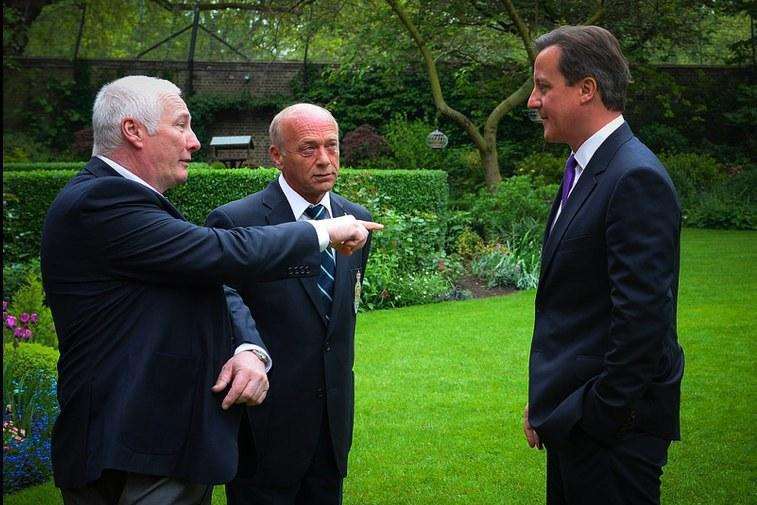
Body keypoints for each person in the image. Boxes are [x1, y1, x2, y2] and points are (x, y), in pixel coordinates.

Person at [41, 76, 380, 505]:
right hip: (135, 445)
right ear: (133, 131)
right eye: (181, 125)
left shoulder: (129, 202)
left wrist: (246, 350)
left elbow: (202, 285)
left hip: (165, 445)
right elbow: (218, 253)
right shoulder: (102, 200)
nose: (195, 141)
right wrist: (322, 231)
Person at [522, 26, 684, 504]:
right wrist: (551, 400)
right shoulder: (585, 167)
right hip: (575, 424)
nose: (533, 101)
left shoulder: (633, 177)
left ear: (586, 88)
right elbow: (576, 308)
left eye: (544, 87)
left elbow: (641, 322)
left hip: (610, 436)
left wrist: (594, 416)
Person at [205, 103, 371, 505]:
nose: (325, 160)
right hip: (263, 427)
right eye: (308, 149)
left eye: (332, 146)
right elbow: (221, 301)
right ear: (276, 156)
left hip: (332, 425)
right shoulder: (236, 222)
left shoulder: (357, 220)